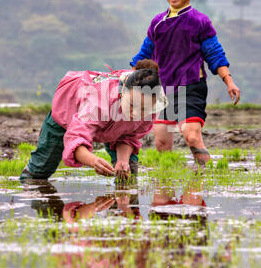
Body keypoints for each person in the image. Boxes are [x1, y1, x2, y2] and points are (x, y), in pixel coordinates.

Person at [130, 0, 241, 167]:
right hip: (162, 89)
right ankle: (166, 191)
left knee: (191, 136)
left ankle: (205, 177)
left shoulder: (200, 21)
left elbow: (215, 54)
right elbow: (144, 54)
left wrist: (229, 81)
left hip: (190, 87)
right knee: (162, 142)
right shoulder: (157, 23)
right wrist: (124, 78)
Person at [20, 60, 166, 181]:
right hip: (67, 115)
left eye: (143, 109)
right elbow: (75, 138)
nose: (136, 114)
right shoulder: (98, 101)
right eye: (132, 105)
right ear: (122, 94)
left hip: (115, 127)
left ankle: (120, 213)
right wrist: (93, 161)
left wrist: (122, 160)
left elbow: (129, 136)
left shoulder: (152, 108)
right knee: (40, 170)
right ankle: (27, 188)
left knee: (128, 174)